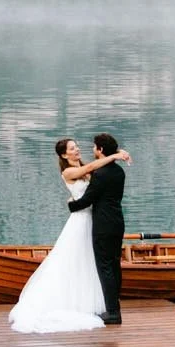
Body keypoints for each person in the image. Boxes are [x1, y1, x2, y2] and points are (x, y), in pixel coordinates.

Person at [8, 137, 131, 335]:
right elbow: (93, 168)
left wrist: (112, 155)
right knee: (77, 259)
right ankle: (97, 305)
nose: (77, 150)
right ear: (64, 155)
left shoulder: (90, 168)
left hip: (96, 219)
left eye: (77, 147)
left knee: (94, 263)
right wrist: (116, 155)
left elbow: (95, 177)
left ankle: (104, 305)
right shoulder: (69, 171)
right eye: (72, 149)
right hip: (82, 220)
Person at [67, 131, 126, 326]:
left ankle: (113, 312)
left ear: (100, 150)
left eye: (94, 147)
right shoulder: (119, 172)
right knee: (115, 264)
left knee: (105, 267)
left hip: (103, 225)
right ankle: (114, 304)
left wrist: (71, 205)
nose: (92, 150)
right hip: (117, 222)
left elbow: (87, 200)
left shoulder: (100, 174)